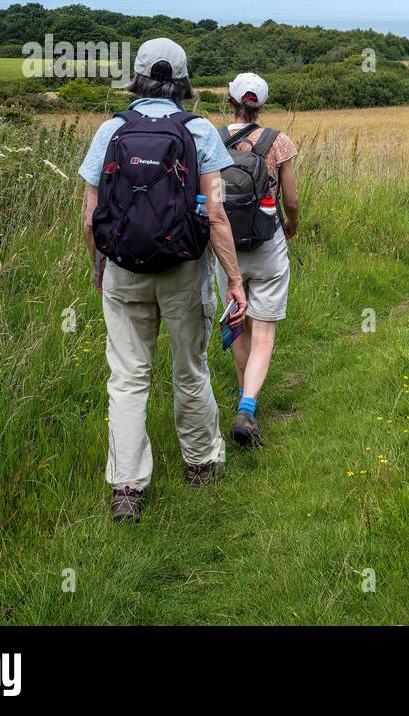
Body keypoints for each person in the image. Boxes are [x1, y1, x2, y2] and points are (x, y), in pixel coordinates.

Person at [78, 38, 247, 523]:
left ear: (136, 76)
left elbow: (91, 218)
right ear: (183, 78)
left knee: (127, 378)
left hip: (123, 271)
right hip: (183, 271)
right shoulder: (197, 130)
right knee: (189, 368)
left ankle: (128, 488)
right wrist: (234, 280)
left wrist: (99, 268)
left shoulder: (110, 129)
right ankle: (201, 463)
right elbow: (215, 214)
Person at [213, 73, 300, 449]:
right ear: (261, 106)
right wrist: (292, 225)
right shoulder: (277, 141)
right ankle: (248, 406)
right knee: (263, 332)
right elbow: (291, 202)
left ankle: (241, 394)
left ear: (228, 100)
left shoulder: (210, 139)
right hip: (268, 245)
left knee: (239, 326)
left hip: (226, 249)